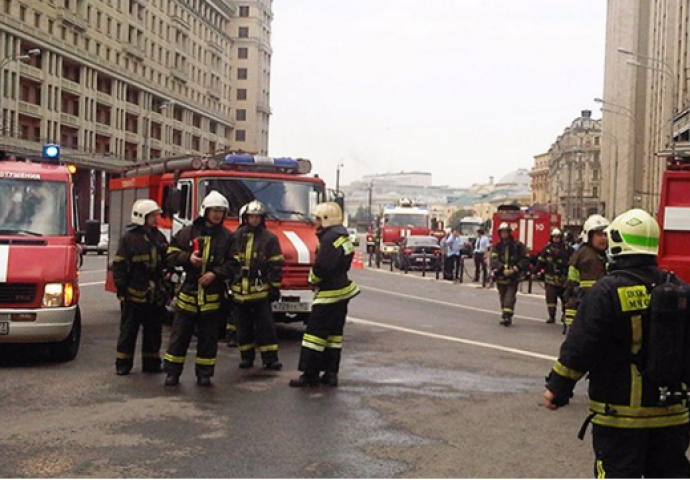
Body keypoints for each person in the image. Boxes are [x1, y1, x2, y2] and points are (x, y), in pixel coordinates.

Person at [543, 209, 690, 478]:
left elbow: (581, 345)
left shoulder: (607, 290)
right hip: (673, 416)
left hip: (621, 417)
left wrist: (558, 389)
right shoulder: (680, 288)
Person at [163, 191, 234, 387]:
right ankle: (172, 373)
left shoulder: (228, 237)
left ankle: (204, 374)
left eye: (221, 211)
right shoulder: (188, 232)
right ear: (205, 211)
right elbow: (170, 254)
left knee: (208, 339)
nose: (217, 215)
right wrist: (189, 259)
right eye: (214, 211)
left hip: (211, 297)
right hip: (189, 294)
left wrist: (216, 274)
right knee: (179, 336)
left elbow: (234, 263)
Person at [290, 202, 360, 387]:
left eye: (318, 219)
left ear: (327, 219)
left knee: (314, 336)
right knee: (333, 337)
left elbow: (322, 266)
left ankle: (310, 374)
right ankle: (330, 373)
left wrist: (312, 279)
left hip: (329, 293)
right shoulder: (343, 236)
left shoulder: (329, 239)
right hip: (342, 292)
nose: (315, 222)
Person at [112, 199, 169, 375]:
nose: (155, 219)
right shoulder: (128, 239)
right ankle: (123, 364)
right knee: (129, 331)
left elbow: (166, 259)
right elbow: (120, 266)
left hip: (154, 295)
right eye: (152, 216)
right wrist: (121, 290)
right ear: (141, 217)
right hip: (133, 295)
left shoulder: (158, 237)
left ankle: (151, 363)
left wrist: (167, 275)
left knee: (153, 331)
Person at [229, 200, 284, 370]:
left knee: (266, 327)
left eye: (257, 217)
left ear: (262, 219)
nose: (253, 220)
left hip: (260, 292)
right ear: (245, 218)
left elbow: (276, 264)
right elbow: (229, 262)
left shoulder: (269, 239)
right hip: (239, 291)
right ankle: (246, 357)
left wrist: (274, 287)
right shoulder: (236, 237)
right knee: (243, 328)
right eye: (251, 217)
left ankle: (270, 358)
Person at [563, 214, 609, 334]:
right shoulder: (587, 256)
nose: (603, 238)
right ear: (588, 236)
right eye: (599, 235)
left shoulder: (602, 255)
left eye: (605, 234)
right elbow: (572, 288)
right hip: (587, 309)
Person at [490, 222, 529, 326]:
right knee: (502, 297)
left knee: (509, 297)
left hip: (513, 276)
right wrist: (501, 268)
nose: (504, 234)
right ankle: (505, 313)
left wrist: (516, 268)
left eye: (505, 232)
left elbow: (525, 259)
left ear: (509, 233)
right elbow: (494, 259)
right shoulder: (497, 246)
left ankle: (507, 317)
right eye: (502, 232)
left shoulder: (517, 246)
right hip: (501, 276)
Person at [534, 228, 572, 324]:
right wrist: (534, 271)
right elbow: (541, 262)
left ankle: (564, 314)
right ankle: (552, 316)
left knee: (565, 298)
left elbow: (572, 262)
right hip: (550, 278)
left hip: (563, 279)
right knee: (551, 298)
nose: (556, 239)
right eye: (554, 237)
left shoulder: (567, 249)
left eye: (558, 237)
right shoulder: (546, 249)